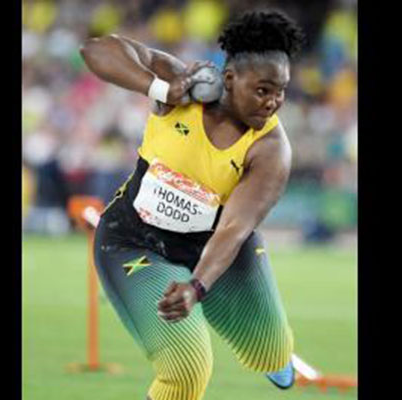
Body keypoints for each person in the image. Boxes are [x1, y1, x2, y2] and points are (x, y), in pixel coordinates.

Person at [80, 9, 306, 400]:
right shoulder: (180, 87)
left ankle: (273, 353)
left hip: (216, 246)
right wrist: (161, 90)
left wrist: (197, 286)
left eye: (280, 91)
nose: (273, 103)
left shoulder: (271, 151)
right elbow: (96, 49)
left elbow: (234, 229)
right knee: (186, 368)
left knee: (271, 349)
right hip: (133, 242)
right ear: (229, 79)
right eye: (263, 90)